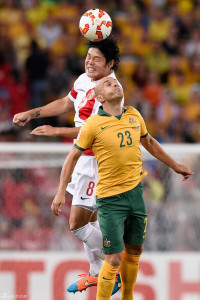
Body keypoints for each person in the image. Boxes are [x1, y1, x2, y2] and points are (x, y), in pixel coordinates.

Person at [51, 76, 193, 300]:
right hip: (109, 200)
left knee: (134, 253)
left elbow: (149, 142)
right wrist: (60, 192)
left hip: (135, 195)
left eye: (115, 82)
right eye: (107, 84)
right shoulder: (94, 124)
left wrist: (175, 166)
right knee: (114, 258)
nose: (114, 84)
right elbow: (72, 157)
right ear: (99, 98)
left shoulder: (134, 114)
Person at [13, 36, 121, 294]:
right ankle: (97, 273)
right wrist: (32, 113)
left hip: (97, 160)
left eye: (97, 59)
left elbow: (93, 132)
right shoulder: (84, 80)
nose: (90, 62)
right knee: (90, 219)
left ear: (110, 64)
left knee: (78, 224)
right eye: (88, 57)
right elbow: (65, 103)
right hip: (83, 158)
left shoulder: (110, 90)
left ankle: (114, 263)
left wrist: (54, 131)